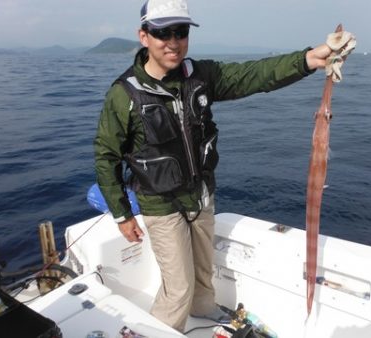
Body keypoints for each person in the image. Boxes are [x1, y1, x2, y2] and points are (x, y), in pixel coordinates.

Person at [94, 0, 354, 332]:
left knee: (203, 273)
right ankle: (157, 331)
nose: (173, 42)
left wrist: (307, 60)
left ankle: (203, 309)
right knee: (179, 289)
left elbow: (254, 75)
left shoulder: (202, 76)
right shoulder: (124, 94)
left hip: (201, 193)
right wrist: (121, 214)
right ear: (143, 36)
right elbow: (106, 156)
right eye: (162, 33)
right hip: (160, 203)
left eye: (181, 31)